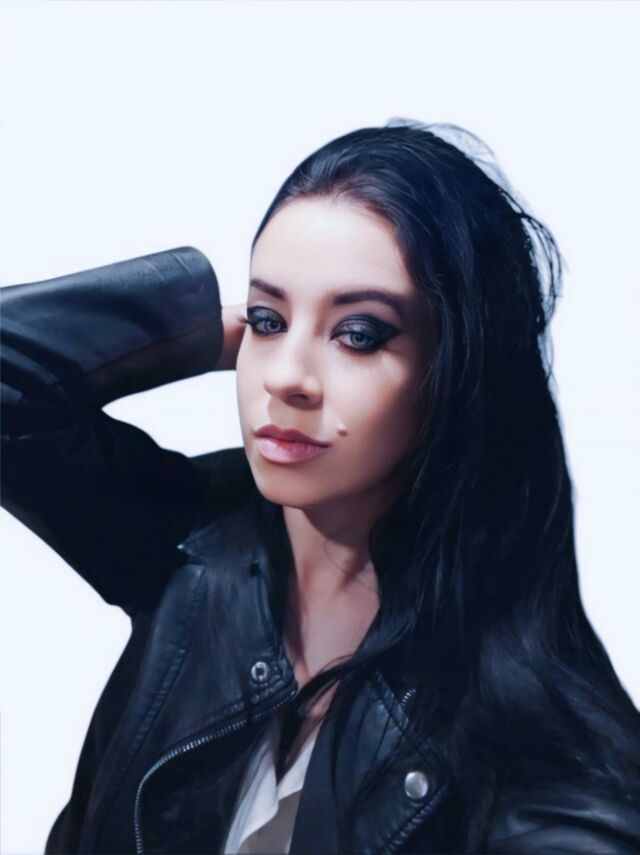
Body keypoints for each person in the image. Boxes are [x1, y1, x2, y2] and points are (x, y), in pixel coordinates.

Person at [2, 118, 639, 855]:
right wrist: (198, 332)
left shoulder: (548, 764)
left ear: (459, 371)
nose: (287, 377)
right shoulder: (192, 546)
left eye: (358, 334)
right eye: (267, 321)